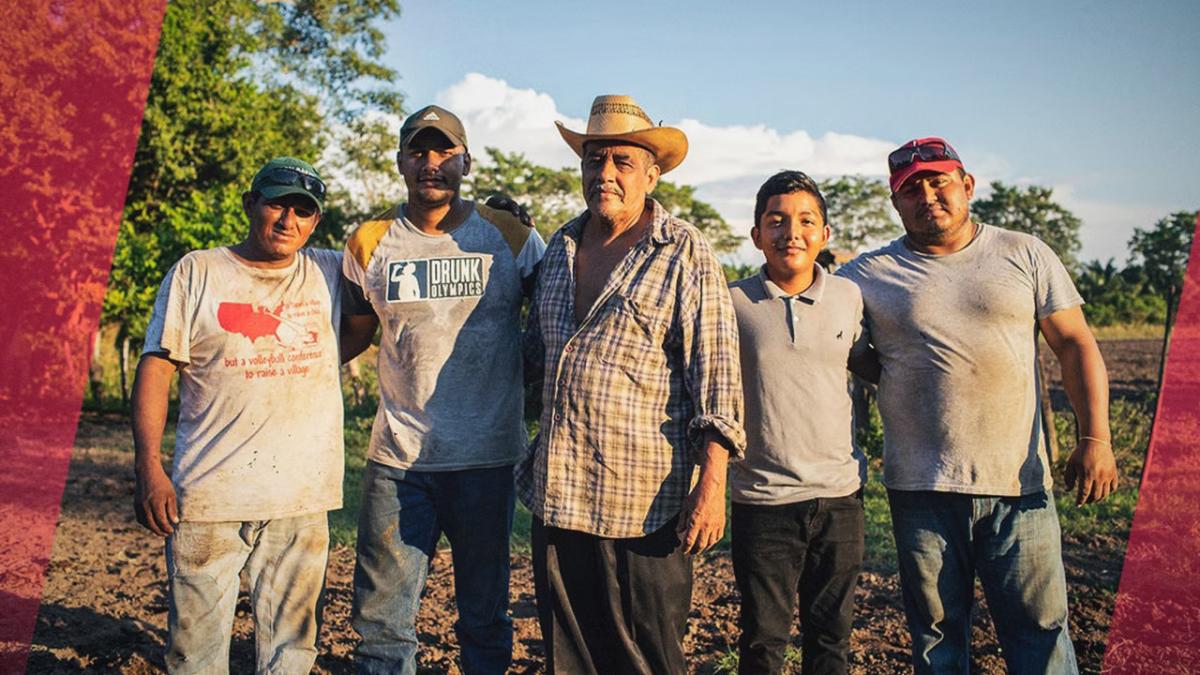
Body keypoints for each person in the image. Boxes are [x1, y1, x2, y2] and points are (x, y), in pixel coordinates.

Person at [837, 137, 1119, 673]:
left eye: (938, 181)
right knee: (937, 640)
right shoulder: (866, 277)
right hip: (921, 490)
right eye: (910, 188)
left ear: (966, 185)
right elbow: (836, 341)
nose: (927, 195)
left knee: (1040, 630)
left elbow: (1075, 343)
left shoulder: (1023, 253)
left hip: (1018, 487)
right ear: (896, 203)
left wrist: (1095, 438)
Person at [517, 94, 746, 674]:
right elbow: (533, 364)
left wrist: (712, 483)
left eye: (622, 161)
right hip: (560, 498)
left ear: (652, 172)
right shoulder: (560, 248)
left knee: (648, 660)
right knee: (569, 660)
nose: (606, 174)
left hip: (642, 504)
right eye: (595, 160)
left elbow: (717, 379)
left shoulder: (684, 252)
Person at [340, 104, 545, 675]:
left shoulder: (511, 234)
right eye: (419, 151)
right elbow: (352, 334)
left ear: (466, 161)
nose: (432, 163)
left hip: (487, 458)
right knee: (382, 621)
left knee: (484, 613)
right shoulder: (370, 241)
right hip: (398, 462)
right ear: (401, 160)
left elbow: (555, 316)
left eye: (445, 152)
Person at [131, 157, 344, 674]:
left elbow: (358, 331)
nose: (287, 219)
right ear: (251, 204)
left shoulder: (330, 271)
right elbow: (157, 368)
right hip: (210, 497)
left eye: (303, 210)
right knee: (195, 654)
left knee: (292, 652)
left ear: (315, 221)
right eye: (276, 203)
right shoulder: (198, 271)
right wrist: (149, 467)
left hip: (301, 497)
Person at [728, 171, 878, 674]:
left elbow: (873, 365)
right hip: (762, 499)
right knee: (762, 643)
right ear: (756, 235)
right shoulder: (732, 304)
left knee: (831, 641)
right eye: (776, 221)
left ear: (824, 234)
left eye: (805, 221)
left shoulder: (849, 298)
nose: (791, 232)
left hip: (839, 498)